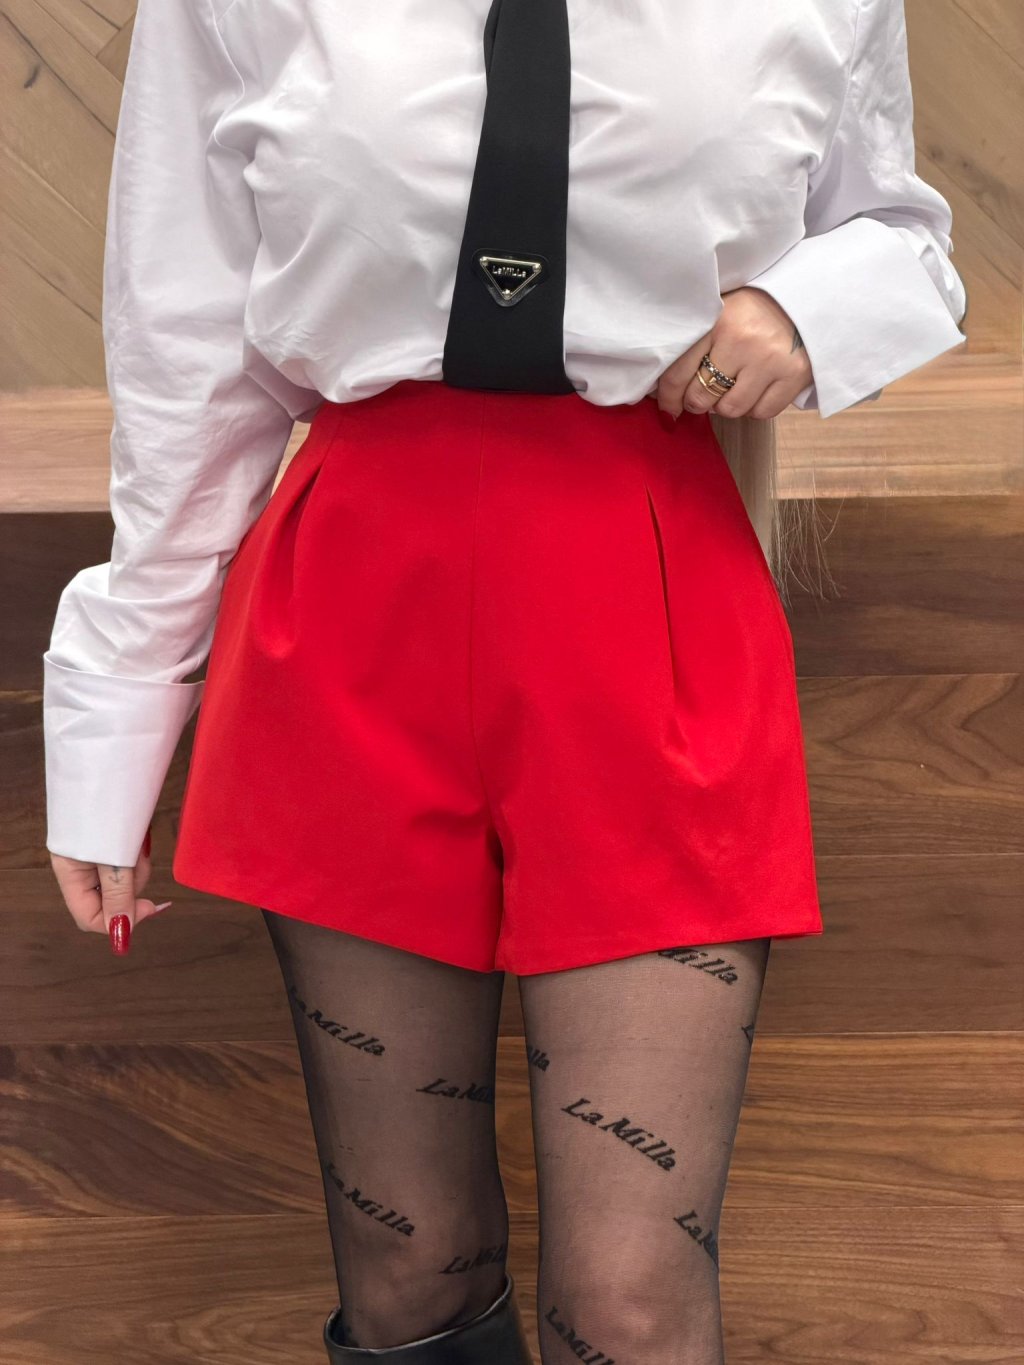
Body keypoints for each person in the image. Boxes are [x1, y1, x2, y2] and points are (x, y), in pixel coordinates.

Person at [42, 1, 967, 1361]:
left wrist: (803, 312)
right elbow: (186, 348)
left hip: (652, 605)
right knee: (409, 1271)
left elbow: (900, 236)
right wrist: (118, 712)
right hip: (350, 616)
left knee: (630, 1300)